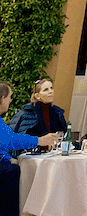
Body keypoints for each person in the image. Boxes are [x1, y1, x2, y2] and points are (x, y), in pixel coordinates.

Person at [0, 81, 57, 216]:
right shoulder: (26, 113)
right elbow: (10, 140)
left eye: (51, 88)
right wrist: (39, 140)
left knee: (15, 167)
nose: (11, 100)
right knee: (13, 172)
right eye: (9, 97)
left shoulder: (56, 112)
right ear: (2, 99)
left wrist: (8, 158)